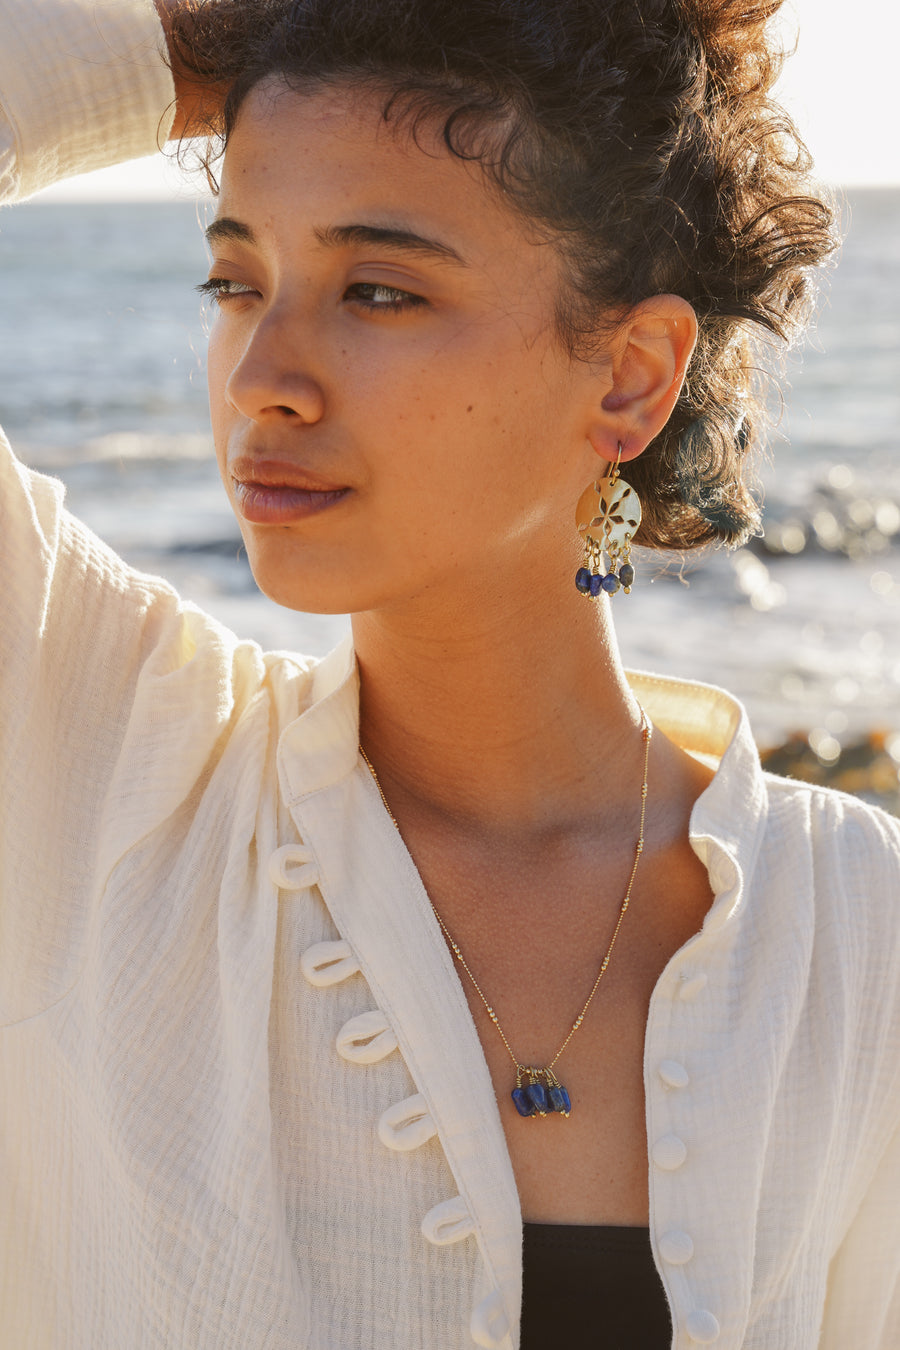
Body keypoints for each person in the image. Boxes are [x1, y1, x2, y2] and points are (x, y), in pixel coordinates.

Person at [1, 1, 898, 1347]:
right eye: (235, 281)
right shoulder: (99, 761)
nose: (262, 377)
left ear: (630, 376)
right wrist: (226, 42)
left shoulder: (854, 927)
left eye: (380, 290)